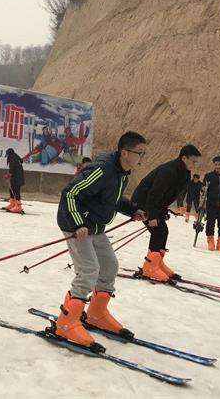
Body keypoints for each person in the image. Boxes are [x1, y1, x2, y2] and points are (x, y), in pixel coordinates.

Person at [52, 131, 147, 350]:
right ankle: (65, 323)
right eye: (139, 152)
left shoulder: (121, 172)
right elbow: (70, 193)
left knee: (109, 266)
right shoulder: (103, 170)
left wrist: (132, 210)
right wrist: (78, 223)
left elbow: (111, 199)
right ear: (125, 152)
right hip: (75, 224)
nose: (142, 157)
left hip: (95, 226)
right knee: (89, 270)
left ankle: (96, 314)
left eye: (143, 153)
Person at [132, 144, 202, 281]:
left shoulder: (184, 173)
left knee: (162, 230)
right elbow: (155, 193)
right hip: (143, 202)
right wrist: (152, 216)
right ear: (184, 158)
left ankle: (156, 263)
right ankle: (149, 267)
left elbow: (168, 194)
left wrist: (163, 210)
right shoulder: (169, 170)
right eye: (193, 161)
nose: (194, 164)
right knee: (159, 230)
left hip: (154, 204)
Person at [3, 148, 25, 213]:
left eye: (7, 155)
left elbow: (12, 168)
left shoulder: (13, 158)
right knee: (12, 189)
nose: (7, 156)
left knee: (16, 191)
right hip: (16, 177)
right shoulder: (15, 157)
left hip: (17, 178)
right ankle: (12, 204)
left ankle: (18, 206)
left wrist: (8, 175)